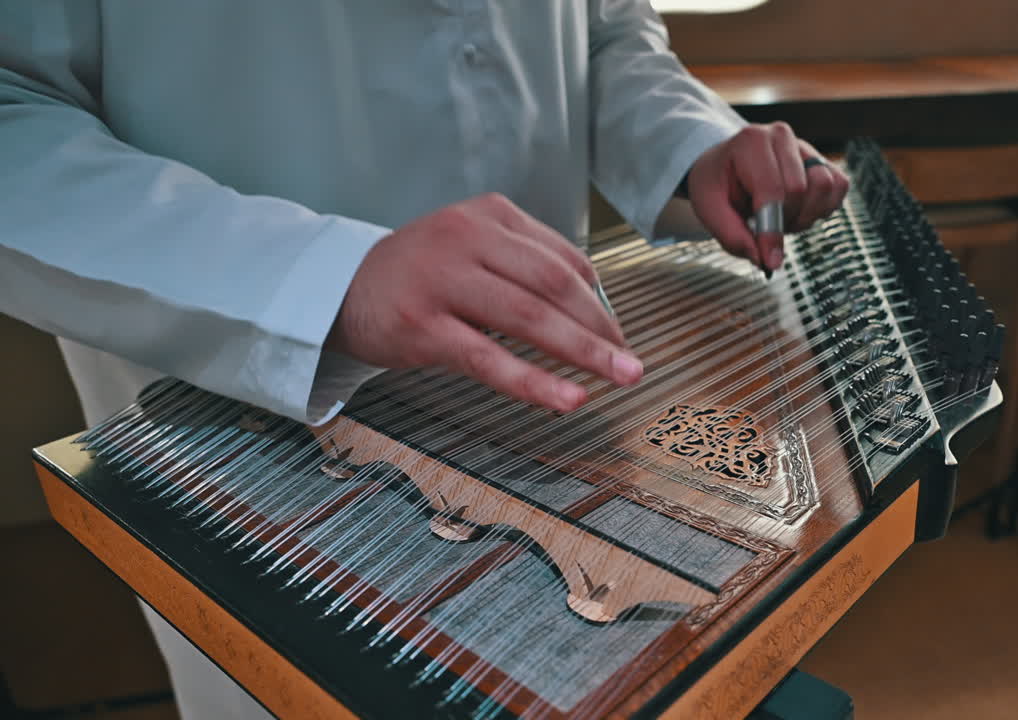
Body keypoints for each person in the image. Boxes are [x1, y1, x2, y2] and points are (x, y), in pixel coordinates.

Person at [0, 2, 849, 718]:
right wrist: (324, 282)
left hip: (558, 427)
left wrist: (691, 142)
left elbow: (605, 31)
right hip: (259, 429)